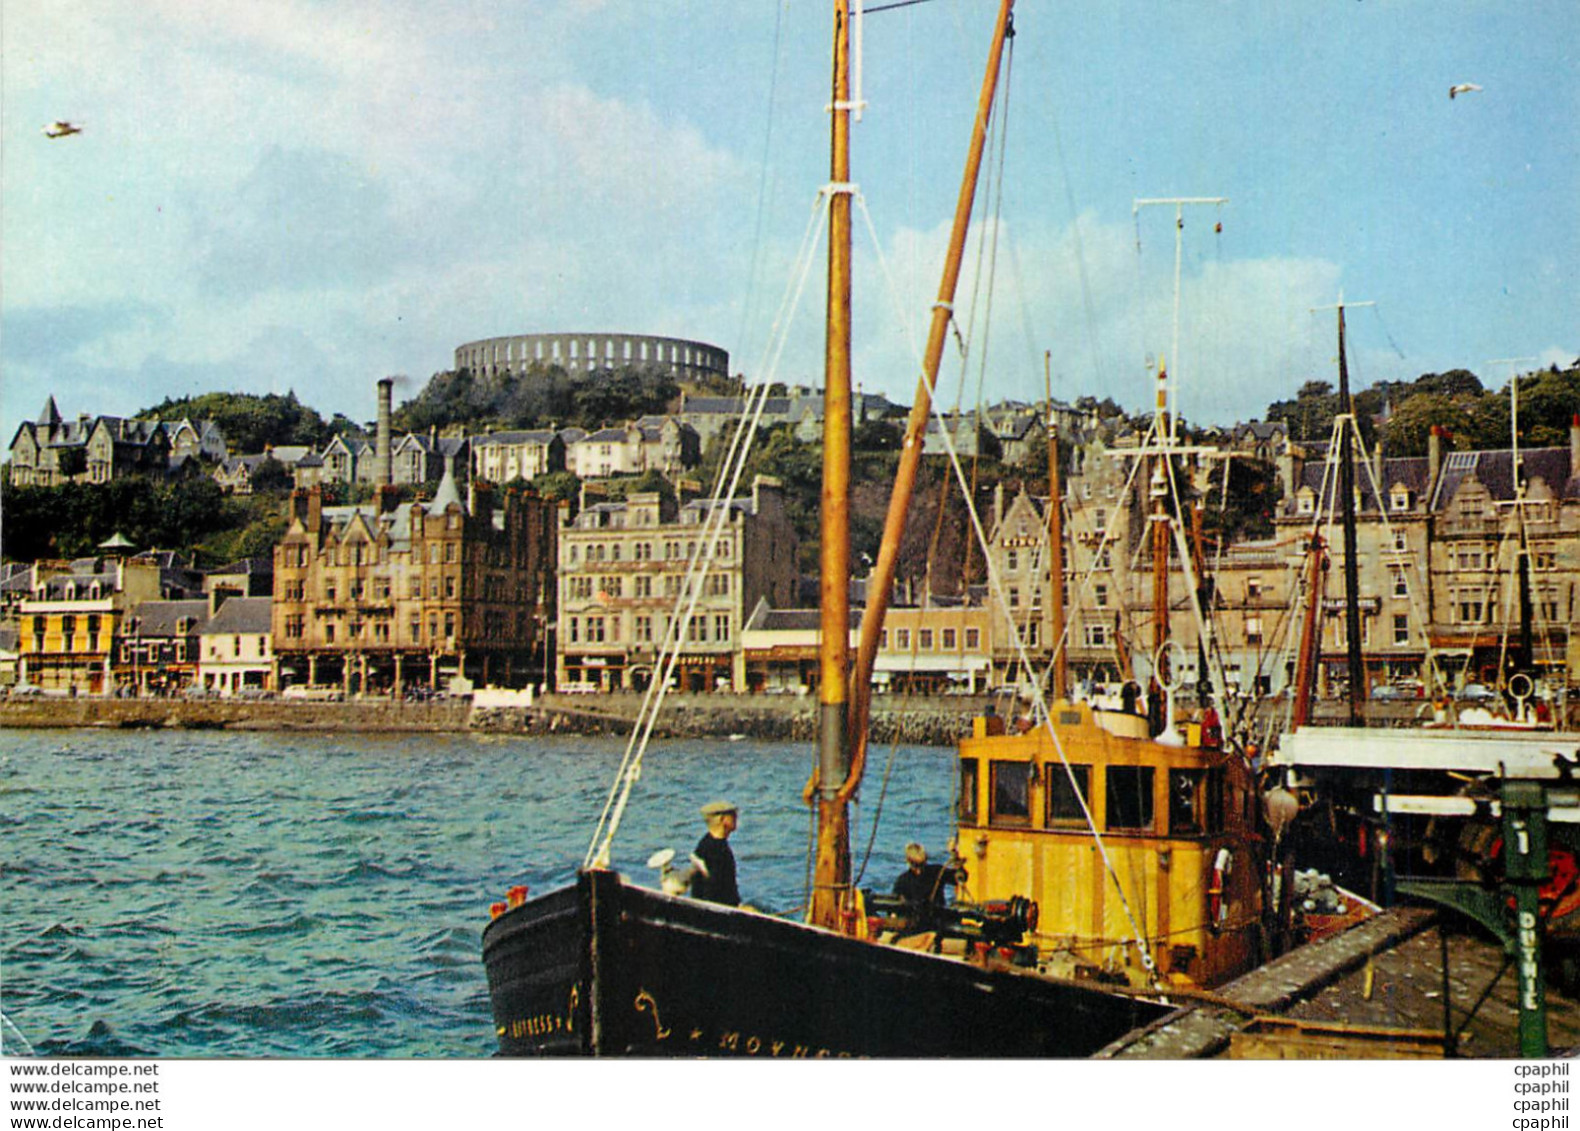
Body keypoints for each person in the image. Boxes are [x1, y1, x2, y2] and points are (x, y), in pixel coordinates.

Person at [892, 843, 963, 924]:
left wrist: (956, 859)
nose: (919, 870)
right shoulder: (903, 880)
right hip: (921, 921)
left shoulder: (936, 871)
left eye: (920, 866)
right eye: (916, 865)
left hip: (932, 920)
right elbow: (896, 904)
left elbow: (957, 878)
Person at [689, 800, 740, 906]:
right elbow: (714, 890)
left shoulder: (708, 842)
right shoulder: (716, 850)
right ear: (723, 819)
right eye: (733, 816)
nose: (737, 818)